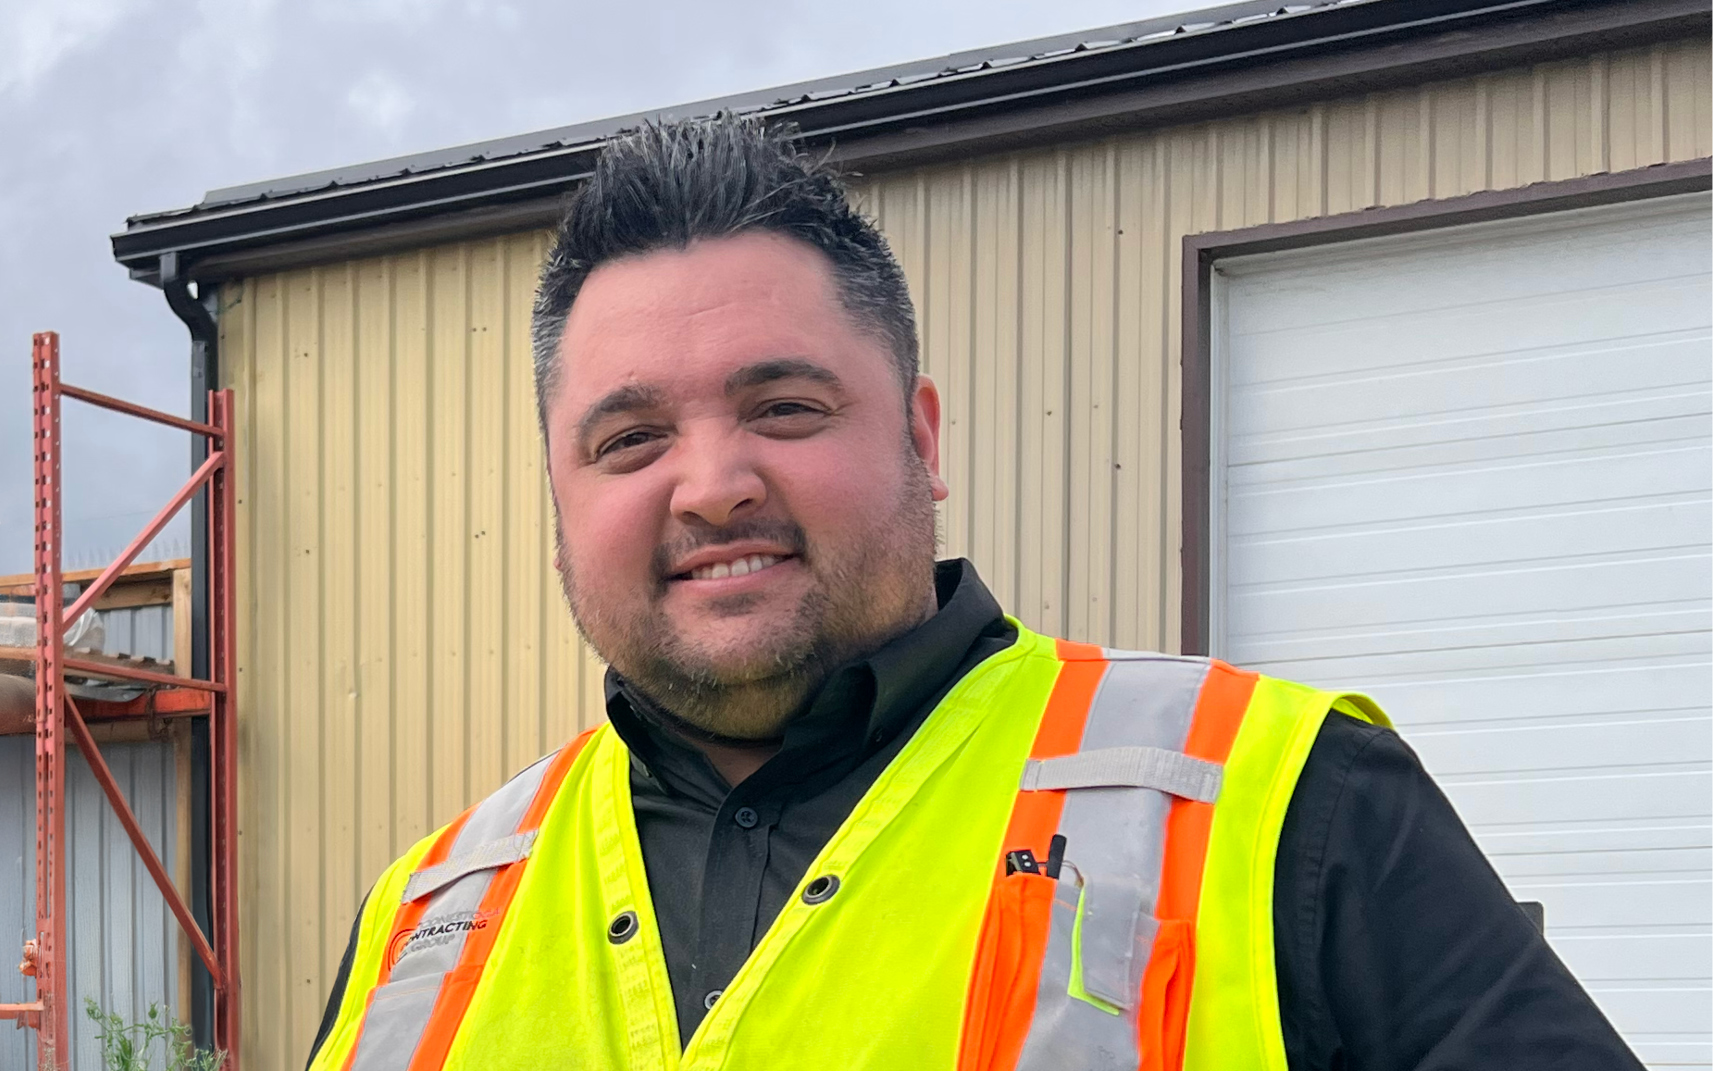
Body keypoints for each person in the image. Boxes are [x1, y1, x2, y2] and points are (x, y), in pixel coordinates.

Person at [305, 115, 1641, 1071]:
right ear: (558, 506)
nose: (709, 484)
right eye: (628, 441)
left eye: (783, 405)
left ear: (921, 440)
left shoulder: (1276, 802)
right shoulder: (424, 919)